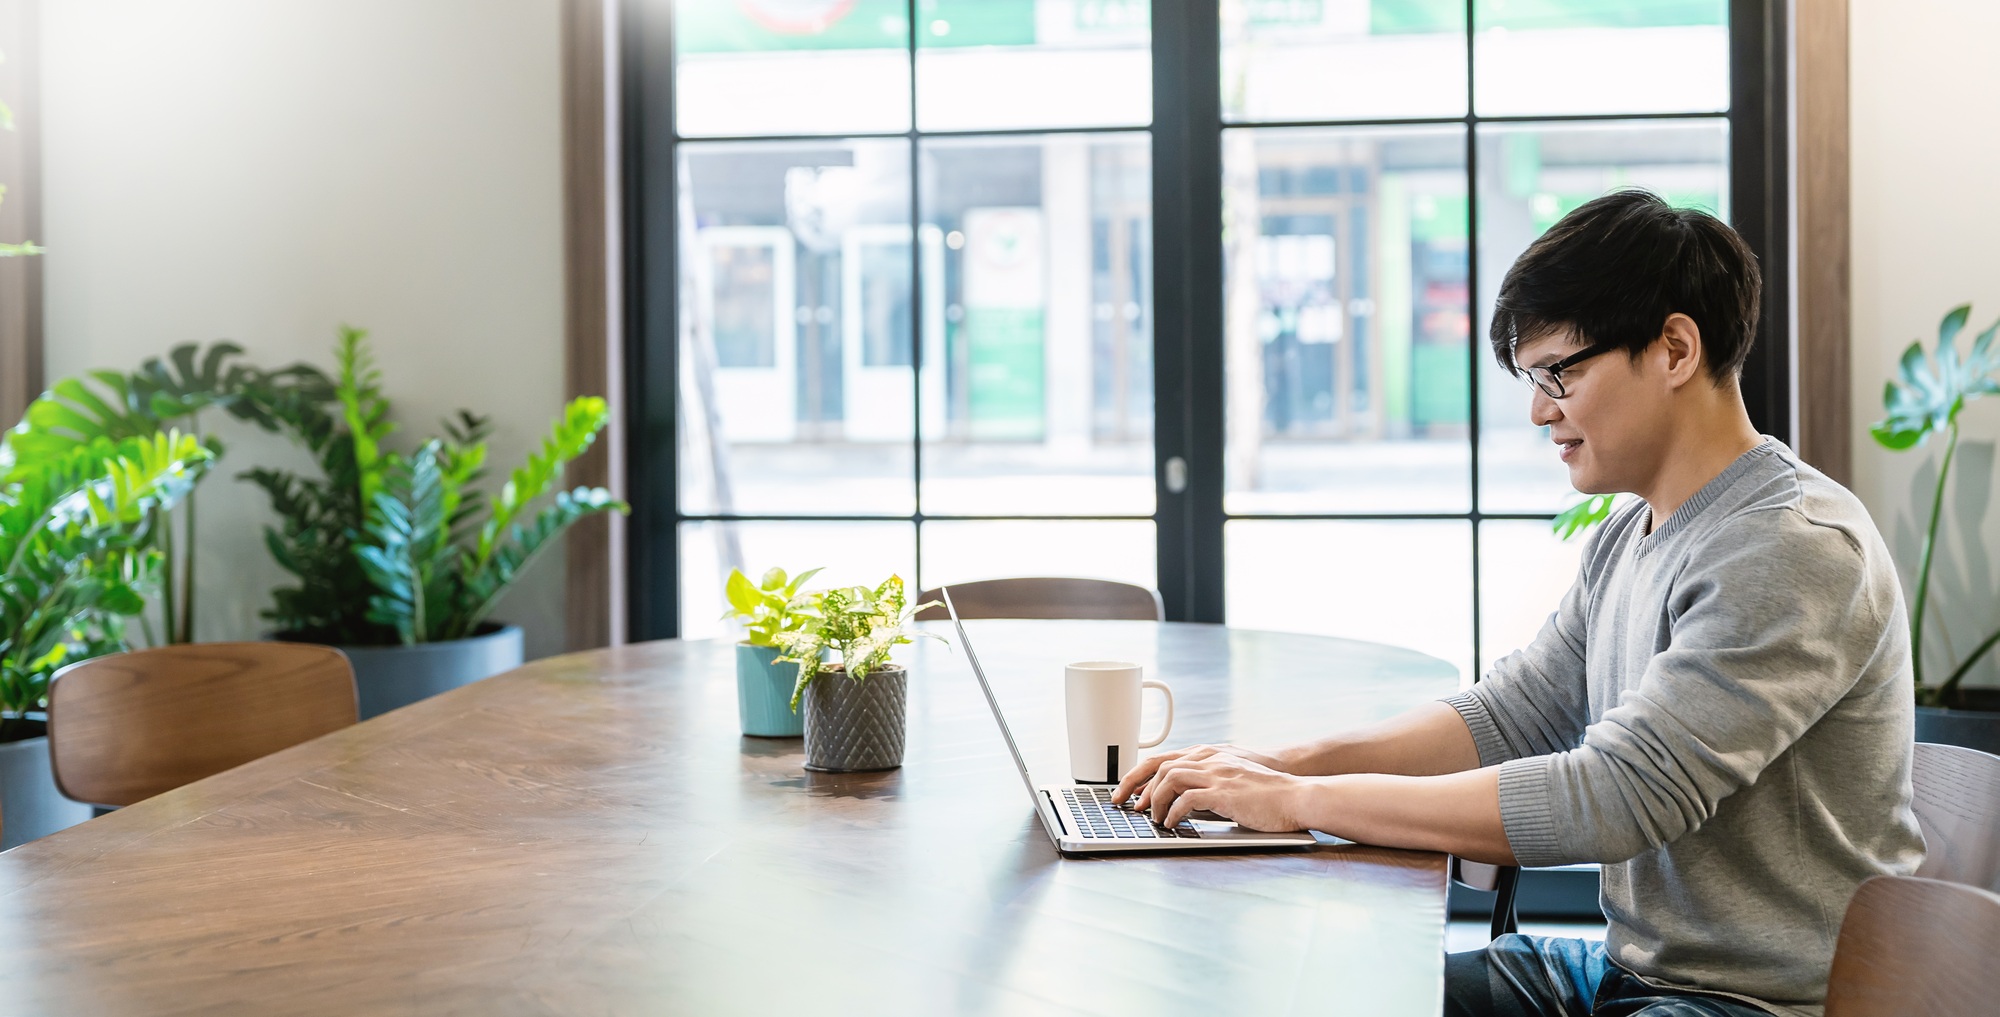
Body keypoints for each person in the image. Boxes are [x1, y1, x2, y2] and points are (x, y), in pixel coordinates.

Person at [1112, 189, 1925, 1017]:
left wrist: (1297, 803)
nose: (1540, 409)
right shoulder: (1633, 531)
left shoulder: (1791, 546)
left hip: (1757, 1004)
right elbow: (1512, 713)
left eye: (1559, 373)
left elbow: (1616, 796)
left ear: (1675, 348)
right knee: (1338, 993)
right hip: (1632, 973)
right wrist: (1278, 766)